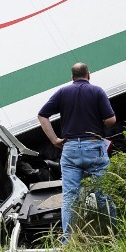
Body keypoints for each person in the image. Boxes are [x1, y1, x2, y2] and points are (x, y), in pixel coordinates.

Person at [37, 63, 117, 240]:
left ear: (72, 77)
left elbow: (42, 115)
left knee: (70, 198)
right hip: (93, 146)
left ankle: (68, 241)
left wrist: (55, 140)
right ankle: (111, 235)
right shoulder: (97, 91)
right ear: (89, 75)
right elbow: (111, 120)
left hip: (70, 148)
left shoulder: (62, 92)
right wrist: (97, 121)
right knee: (103, 193)